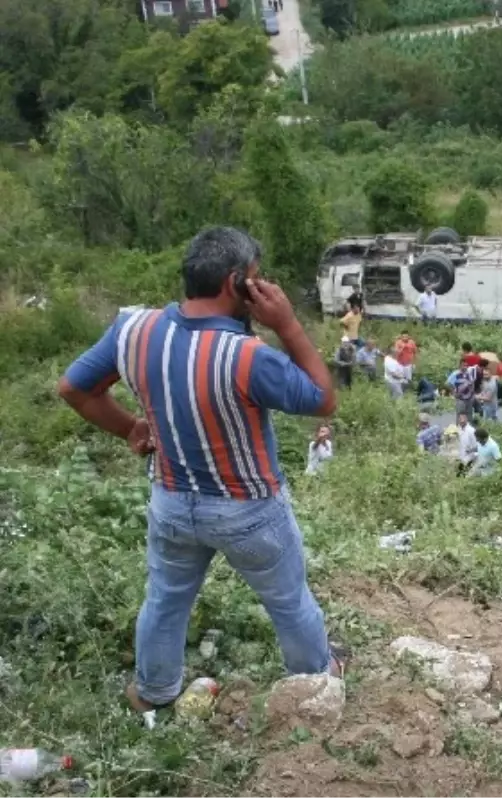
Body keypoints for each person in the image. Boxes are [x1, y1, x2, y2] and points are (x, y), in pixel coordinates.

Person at [57, 226, 343, 713]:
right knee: (288, 600)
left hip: (171, 500)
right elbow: (323, 400)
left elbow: (74, 389)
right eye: (256, 280)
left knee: (165, 600)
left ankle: (153, 693)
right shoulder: (247, 355)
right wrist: (288, 325)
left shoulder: (133, 328)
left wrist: (130, 427)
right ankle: (315, 686)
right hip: (248, 510)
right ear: (237, 284)